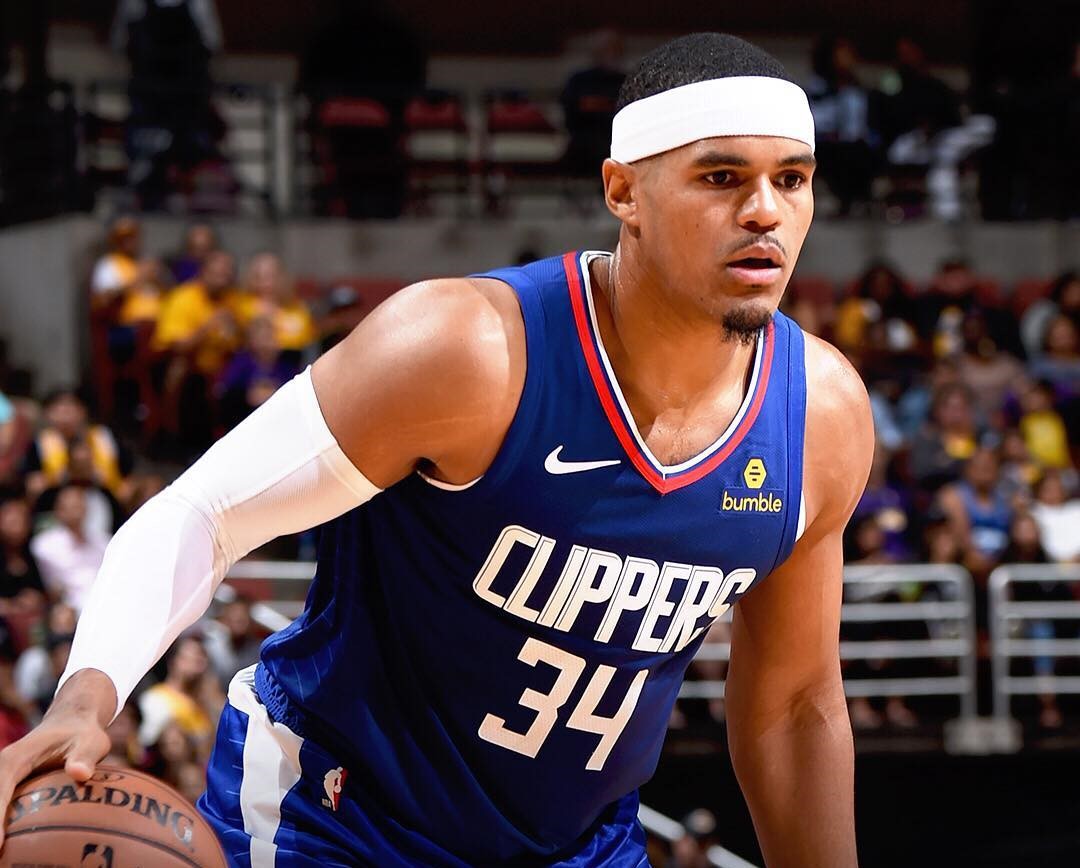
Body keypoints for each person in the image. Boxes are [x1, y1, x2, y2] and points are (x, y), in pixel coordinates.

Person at [0, 34, 870, 867]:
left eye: (792, 179)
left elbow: (795, 706)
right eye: (721, 177)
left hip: (577, 847)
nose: (765, 210)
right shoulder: (465, 350)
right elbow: (206, 510)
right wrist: (85, 699)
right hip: (338, 818)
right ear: (623, 192)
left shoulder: (819, 418)